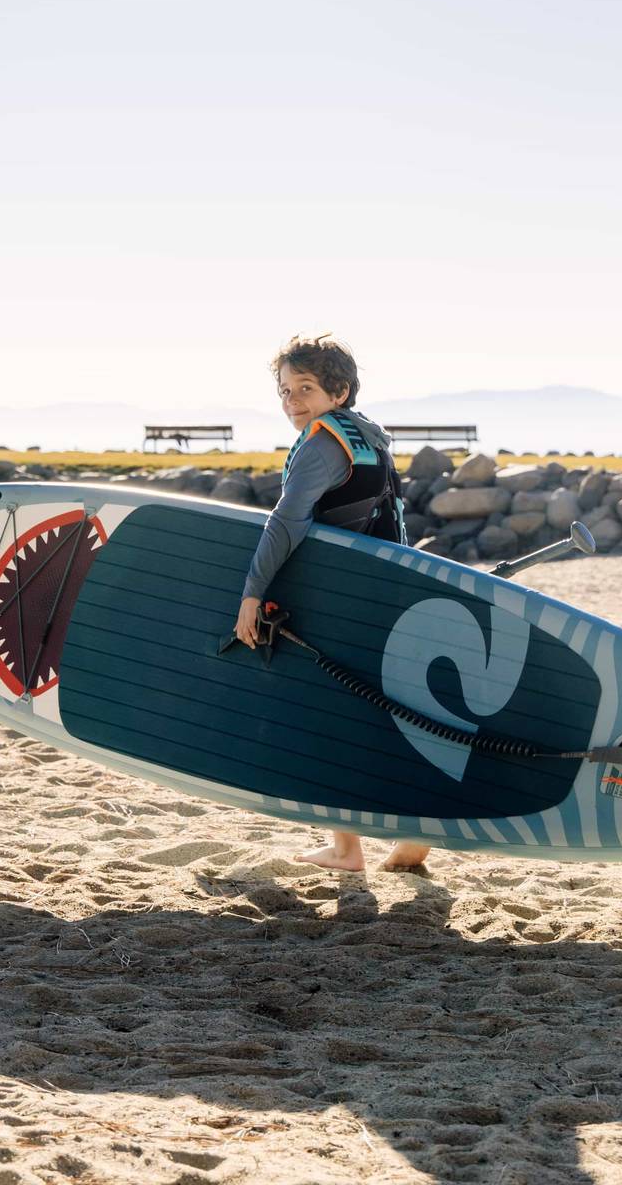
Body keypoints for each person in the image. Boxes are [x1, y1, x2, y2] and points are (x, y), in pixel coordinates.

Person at [233, 334, 430, 874]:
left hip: (339, 599)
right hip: (384, 590)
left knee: (328, 720)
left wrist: (253, 593)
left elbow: (286, 523)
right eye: (285, 390)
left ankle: (346, 851)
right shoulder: (368, 438)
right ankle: (412, 838)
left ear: (338, 391)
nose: (293, 401)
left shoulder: (321, 444)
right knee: (384, 717)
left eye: (307, 388)